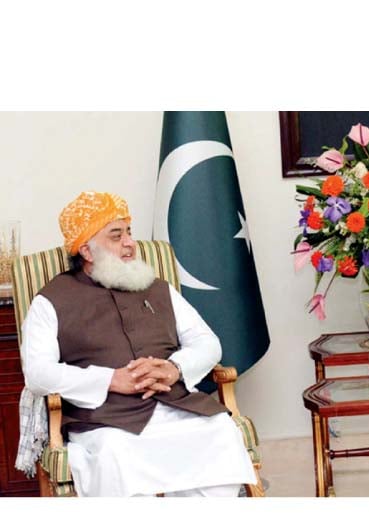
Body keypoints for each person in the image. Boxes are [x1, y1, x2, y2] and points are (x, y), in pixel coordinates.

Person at [20, 191, 256, 496]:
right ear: (87, 251)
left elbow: (208, 343)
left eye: (129, 232)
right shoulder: (50, 301)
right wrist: (111, 380)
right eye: (116, 236)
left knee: (221, 432)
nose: (130, 243)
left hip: (177, 406)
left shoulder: (158, 288)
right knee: (113, 455)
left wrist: (174, 369)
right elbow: (38, 373)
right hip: (106, 422)